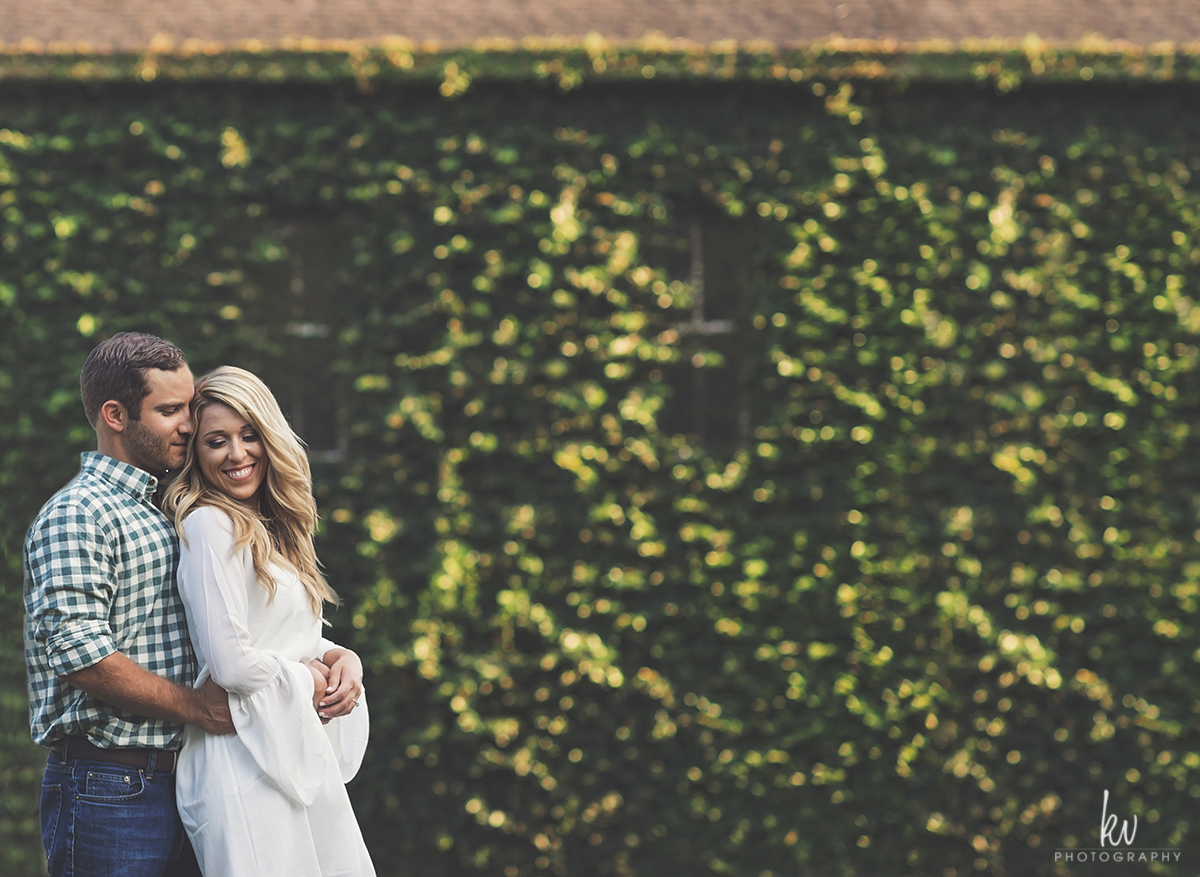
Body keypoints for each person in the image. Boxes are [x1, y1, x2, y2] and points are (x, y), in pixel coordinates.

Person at [24, 331, 236, 877]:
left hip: (188, 779)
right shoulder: (79, 513)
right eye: (169, 410)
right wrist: (198, 708)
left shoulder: (171, 507)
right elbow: (77, 652)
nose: (190, 424)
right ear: (115, 415)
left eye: (189, 407)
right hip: (108, 787)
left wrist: (330, 658)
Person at [161, 365, 374, 877]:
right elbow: (230, 662)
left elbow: (286, 635)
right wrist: (309, 677)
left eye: (249, 434)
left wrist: (341, 658)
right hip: (240, 762)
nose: (237, 454)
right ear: (198, 453)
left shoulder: (274, 528)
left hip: (291, 743)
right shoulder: (209, 524)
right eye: (216, 441)